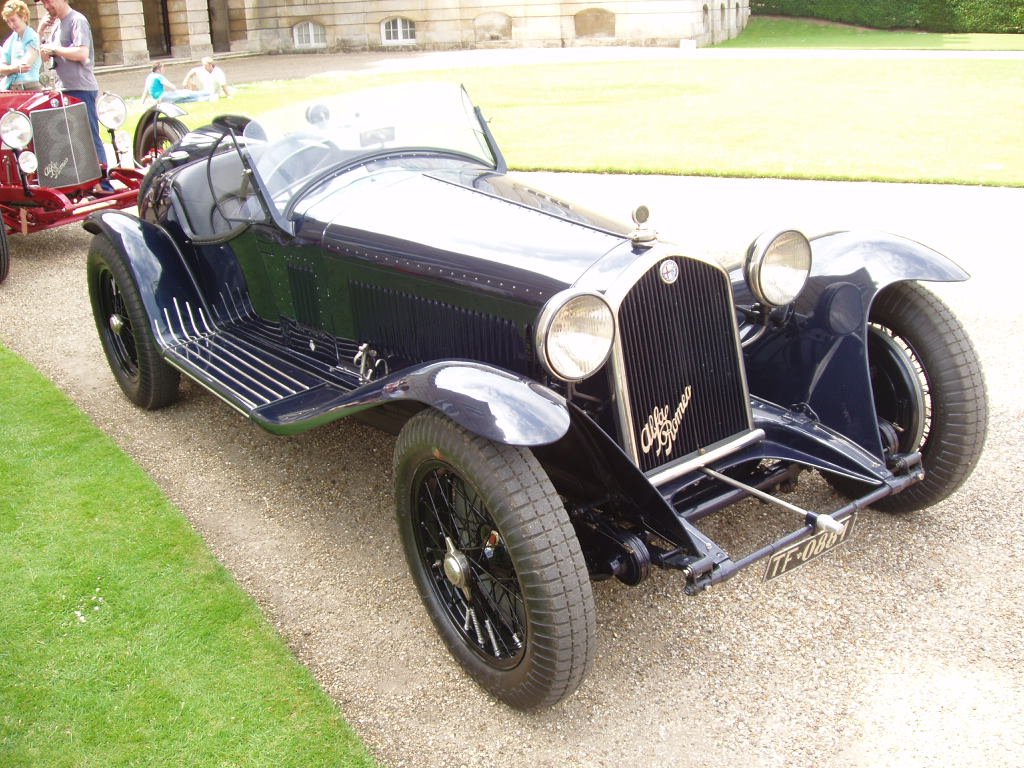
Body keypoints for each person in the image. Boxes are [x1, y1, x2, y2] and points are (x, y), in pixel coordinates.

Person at [37, 0, 105, 170]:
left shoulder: (77, 20)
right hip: (62, 89)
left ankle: (104, 183)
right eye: (44, 2)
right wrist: (40, 33)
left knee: (89, 137)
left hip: (81, 88)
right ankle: (83, 186)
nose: (46, 6)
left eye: (49, 1)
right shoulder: (56, 26)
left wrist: (54, 49)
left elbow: (82, 52)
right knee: (71, 142)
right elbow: (45, 56)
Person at [0, 0, 41, 90]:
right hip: (12, 88)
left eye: (13, 20)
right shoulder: (9, 41)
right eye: (8, 22)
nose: (11, 25)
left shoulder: (33, 37)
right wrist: (15, 68)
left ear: (24, 17)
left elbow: (25, 66)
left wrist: (9, 69)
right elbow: (1, 68)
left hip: (30, 87)